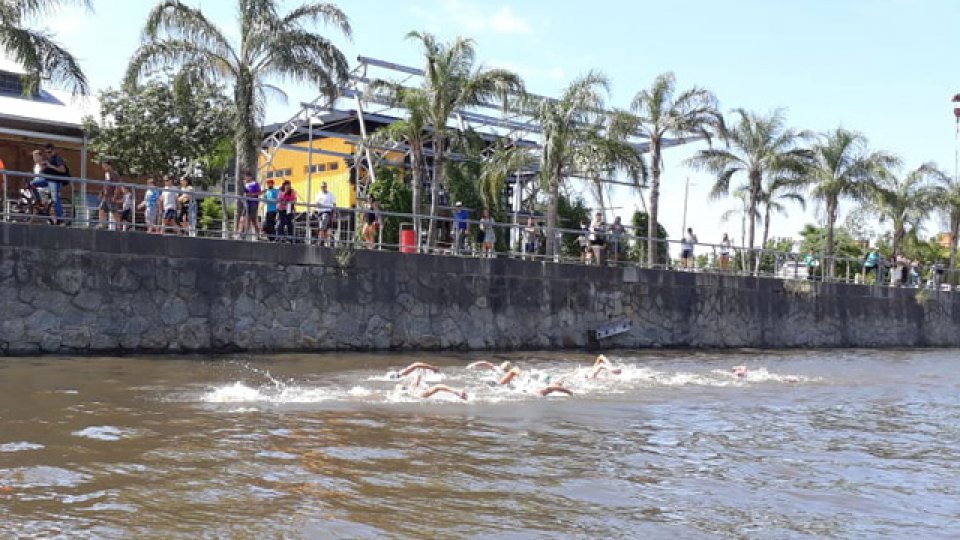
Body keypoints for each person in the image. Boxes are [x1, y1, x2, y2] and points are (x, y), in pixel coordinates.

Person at [39, 143, 69, 223]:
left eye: (50, 152)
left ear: (54, 151)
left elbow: (63, 170)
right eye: (47, 153)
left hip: (55, 181)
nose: (48, 154)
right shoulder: (49, 159)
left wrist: (50, 166)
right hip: (47, 179)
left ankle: (59, 218)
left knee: (55, 199)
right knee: (32, 184)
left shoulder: (58, 158)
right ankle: (39, 204)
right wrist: (43, 167)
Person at [97, 161, 122, 230]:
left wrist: (115, 196)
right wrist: (101, 193)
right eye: (103, 166)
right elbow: (106, 184)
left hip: (111, 196)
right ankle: (101, 224)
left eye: (105, 166)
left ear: (109, 165)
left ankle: (119, 226)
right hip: (106, 196)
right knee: (101, 209)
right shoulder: (107, 174)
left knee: (114, 211)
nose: (104, 168)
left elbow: (118, 186)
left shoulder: (115, 174)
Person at [315, 181, 336, 246]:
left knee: (325, 227)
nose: (323, 188)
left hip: (328, 212)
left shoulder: (331, 195)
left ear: (326, 187)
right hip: (320, 212)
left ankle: (322, 241)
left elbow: (334, 204)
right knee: (324, 227)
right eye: (322, 187)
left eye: (324, 186)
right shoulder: (318, 195)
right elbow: (316, 203)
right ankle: (323, 241)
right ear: (321, 187)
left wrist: (334, 213)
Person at [242, 173, 262, 240]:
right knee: (243, 219)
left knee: (253, 220)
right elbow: (244, 194)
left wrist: (251, 195)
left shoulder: (255, 183)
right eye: (245, 177)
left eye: (247, 177)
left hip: (253, 204)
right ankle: (243, 234)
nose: (246, 178)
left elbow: (260, 192)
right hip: (246, 204)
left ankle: (258, 235)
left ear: (250, 177)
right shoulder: (245, 184)